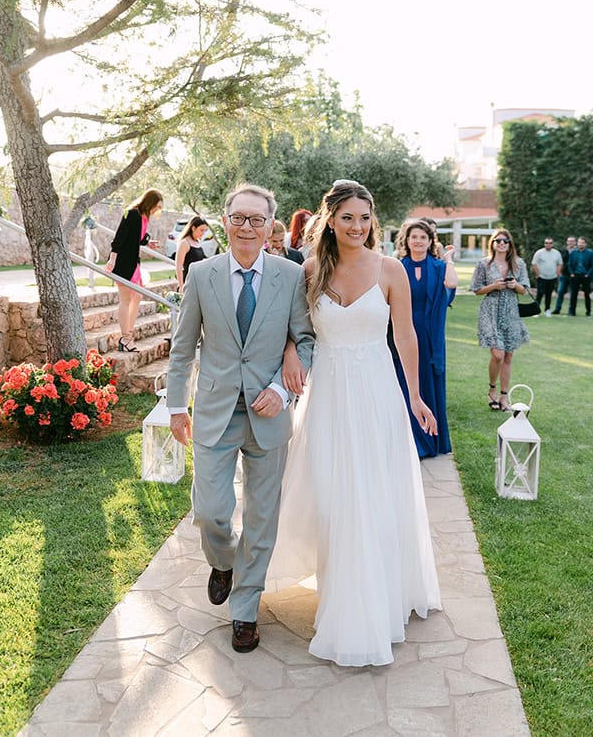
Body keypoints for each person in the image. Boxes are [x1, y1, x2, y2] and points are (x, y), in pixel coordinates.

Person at [267, 180, 441, 667]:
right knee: (332, 491)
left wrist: (416, 396)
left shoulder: (391, 270)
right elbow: (294, 329)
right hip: (327, 395)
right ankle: (339, 582)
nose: (358, 227)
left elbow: (404, 335)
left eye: (365, 218)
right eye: (348, 217)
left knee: (373, 490)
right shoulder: (310, 271)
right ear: (330, 219)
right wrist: (288, 356)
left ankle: (373, 597)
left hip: (377, 393)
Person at [166, 184, 314, 654]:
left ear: (271, 226)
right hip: (214, 411)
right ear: (224, 221)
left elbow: (305, 340)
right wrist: (174, 406)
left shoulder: (290, 276)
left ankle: (245, 610)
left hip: (268, 413)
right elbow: (183, 343)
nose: (246, 227)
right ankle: (223, 560)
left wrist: (279, 388)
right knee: (210, 511)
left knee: (261, 516)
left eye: (256, 219)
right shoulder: (201, 274)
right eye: (238, 218)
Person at [393, 218, 457, 458]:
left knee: (428, 382)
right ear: (407, 241)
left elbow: (451, 284)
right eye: (414, 237)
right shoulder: (398, 266)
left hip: (430, 337)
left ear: (430, 241)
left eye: (423, 237)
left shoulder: (439, 267)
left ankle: (431, 440)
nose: (418, 241)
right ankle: (411, 439)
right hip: (402, 332)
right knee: (406, 383)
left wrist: (448, 259)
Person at [470, 229, 530, 412]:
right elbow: (476, 289)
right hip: (490, 310)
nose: (502, 243)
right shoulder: (484, 264)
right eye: (498, 241)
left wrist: (515, 285)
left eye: (505, 241)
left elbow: (524, 290)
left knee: (508, 355)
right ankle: (492, 390)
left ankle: (504, 396)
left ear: (510, 243)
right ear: (493, 243)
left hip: (510, 310)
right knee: (497, 354)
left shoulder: (518, 264)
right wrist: (493, 286)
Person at [104, 188, 163, 351]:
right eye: (156, 206)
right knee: (126, 300)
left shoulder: (144, 217)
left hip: (134, 263)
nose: (157, 210)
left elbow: (137, 237)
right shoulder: (132, 214)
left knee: (137, 296)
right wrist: (112, 259)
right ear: (149, 202)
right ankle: (125, 338)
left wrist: (147, 242)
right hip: (123, 263)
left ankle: (128, 334)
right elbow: (120, 237)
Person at [175, 215, 208, 291]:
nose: (203, 233)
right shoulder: (184, 243)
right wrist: (181, 286)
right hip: (188, 283)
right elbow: (178, 266)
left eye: (205, 230)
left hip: (198, 283)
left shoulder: (197, 242)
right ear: (193, 228)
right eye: (201, 230)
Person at [531, 237, 562, 317]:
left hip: (552, 277)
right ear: (544, 244)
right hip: (542, 277)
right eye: (546, 243)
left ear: (552, 244)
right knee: (540, 294)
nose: (548, 244)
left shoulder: (556, 253)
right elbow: (534, 264)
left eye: (550, 243)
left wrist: (557, 273)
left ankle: (547, 310)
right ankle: (536, 311)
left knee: (549, 294)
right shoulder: (539, 252)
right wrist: (538, 274)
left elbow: (560, 263)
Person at [567, 236, 593, 316]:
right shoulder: (573, 253)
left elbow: (592, 265)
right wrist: (571, 273)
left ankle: (588, 311)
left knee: (587, 295)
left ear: (585, 244)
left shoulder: (590, 253)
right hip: (575, 275)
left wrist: (588, 274)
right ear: (577, 243)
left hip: (585, 276)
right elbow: (569, 264)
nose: (580, 244)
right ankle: (572, 312)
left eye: (582, 243)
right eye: (579, 242)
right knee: (573, 294)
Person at [552, 235, 576, 314]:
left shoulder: (577, 252)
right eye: (569, 241)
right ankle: (557, 309)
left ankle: (571, 311)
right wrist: (559, 272)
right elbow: (558, 262)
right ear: (567, 242)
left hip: (574, 275)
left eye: (572, 241)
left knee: (572, 294)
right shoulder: (562, 251)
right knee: (560, 292)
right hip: (564, 275)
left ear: (575, 242)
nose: (570, 243)